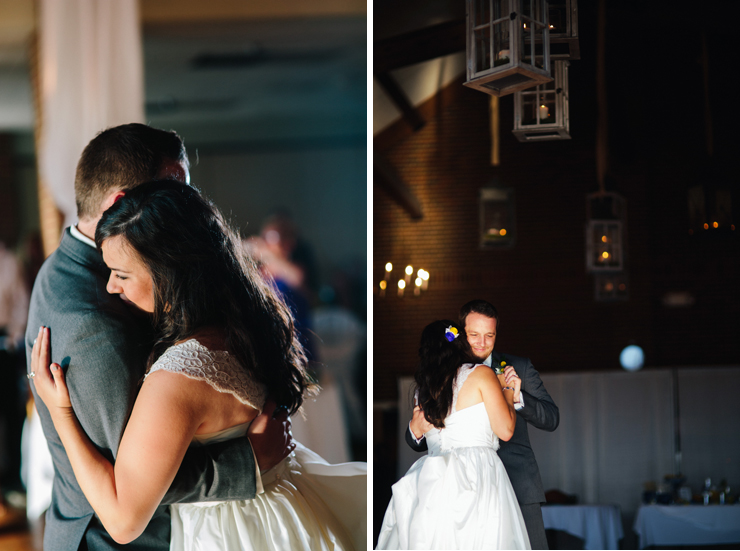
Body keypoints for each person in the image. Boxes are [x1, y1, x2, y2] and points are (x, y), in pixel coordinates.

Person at [31, 180, 367, 550]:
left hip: (230, 534)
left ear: (166, 272)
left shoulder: (179, 375)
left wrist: (60, 412)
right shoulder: (241, 321)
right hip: (279, 511)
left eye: (122, 275)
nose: (110, 287)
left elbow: (123, 521)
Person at [25, 124, 294, 551]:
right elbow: (130, 483)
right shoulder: (96, 323)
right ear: (122, 204)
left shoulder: (87, 268)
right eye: (172, 191)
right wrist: (246, 466)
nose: (187, 205)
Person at [405, 300, 559, 549]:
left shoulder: (517, 367)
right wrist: (415, 432)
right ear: (459, 333)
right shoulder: (440, 375)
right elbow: (423, 434)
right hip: (457, 491)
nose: (482, 342)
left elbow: (552, 418)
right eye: (474, 335)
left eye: (489, 335)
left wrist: (517, 396)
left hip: (518, 485)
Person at [377, 319, 531, 549]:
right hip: (478, 474)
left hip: (433, 479)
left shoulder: (424, 389)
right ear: (461, 345)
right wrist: (508, 389)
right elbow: (506, 430)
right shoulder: (482, 374)